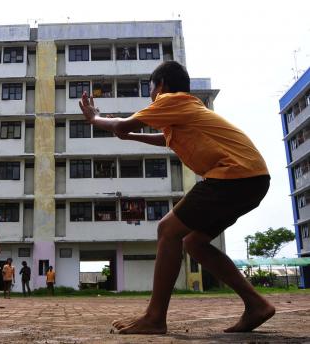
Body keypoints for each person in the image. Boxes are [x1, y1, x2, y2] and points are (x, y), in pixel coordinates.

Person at [79, 60, 274, 334]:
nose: (150, 95)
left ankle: (155, 317)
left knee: (167, 229)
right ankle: (256, 304)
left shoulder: (172, 99)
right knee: (194, 242)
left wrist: (94, 119)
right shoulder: (184, 111)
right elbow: (164, 139)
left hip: (233, 175)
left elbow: (121, 126)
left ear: (161, 85)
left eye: (150, 88)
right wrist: (132, 137)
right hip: (253, 179)